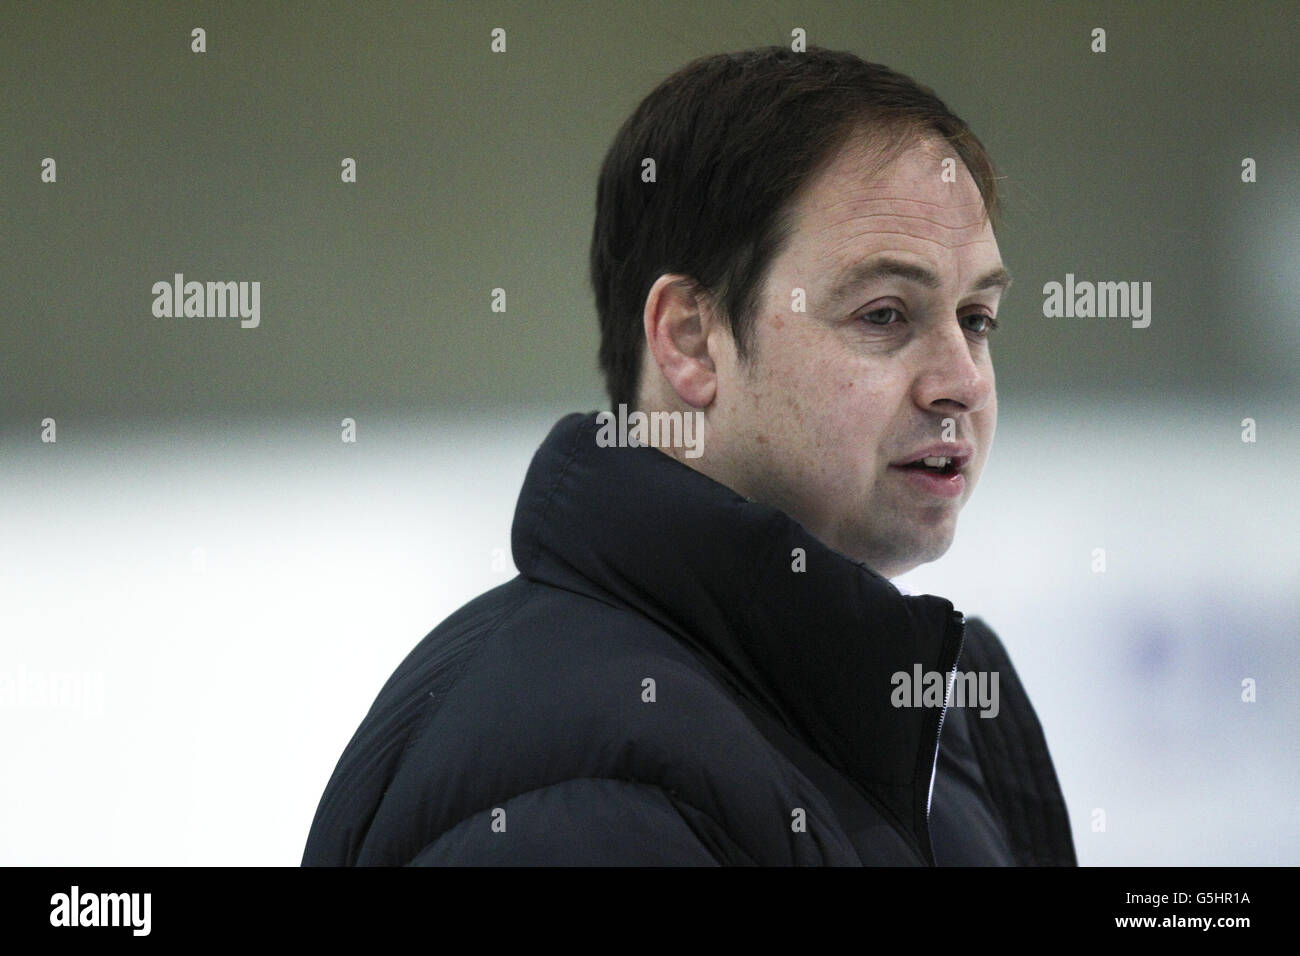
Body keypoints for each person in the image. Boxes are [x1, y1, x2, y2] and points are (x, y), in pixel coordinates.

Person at [302, 46, 1076, 866]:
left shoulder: (927, 734)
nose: (962, 381)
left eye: (977, 319)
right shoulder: (570, 787)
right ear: (691, 340)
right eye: (885, 315)